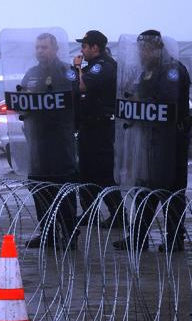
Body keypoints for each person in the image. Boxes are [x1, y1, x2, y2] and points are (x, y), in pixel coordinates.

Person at [113, 30, 192, 252]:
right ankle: (139, 237)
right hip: (148, 141)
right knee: (145, 188)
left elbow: (166, 101)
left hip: (170, 142)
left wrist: (140, 100)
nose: (142, 54)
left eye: (146, 49)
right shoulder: (147, 71)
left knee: (171, 191)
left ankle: (174, 239)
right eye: (140, 49)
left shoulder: (172, 70)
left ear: (158, 48)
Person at [19, 33, 78, 249]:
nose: (40, 51)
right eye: (37, 47)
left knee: (63, 187)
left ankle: (70, 233)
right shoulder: (32, 73)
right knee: (39, 187)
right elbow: (22, 98)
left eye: (44, 47)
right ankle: (48, 233)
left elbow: (74, 104)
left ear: (55, 49)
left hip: (59, 141)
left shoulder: (66, 71)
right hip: (37, 141)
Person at [72, 30, 122, 228]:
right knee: (85, 172)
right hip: (89, 126)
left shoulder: (103, 66)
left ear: (95, 47)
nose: (82, 51)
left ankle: (118, 214)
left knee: (102, 172)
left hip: (100, 127)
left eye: (84, 46)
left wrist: (77, 68)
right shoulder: (94, 66)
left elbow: (82, 86)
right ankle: (89, 212)